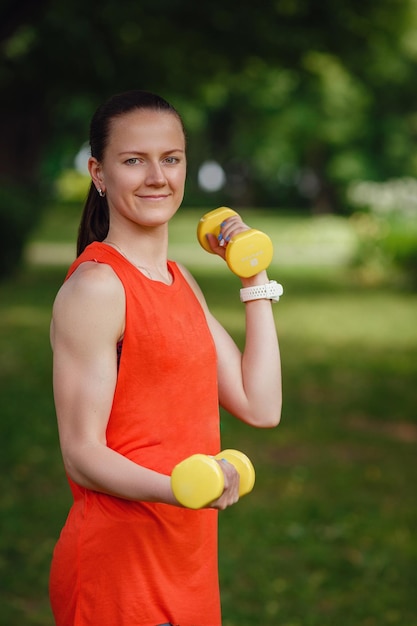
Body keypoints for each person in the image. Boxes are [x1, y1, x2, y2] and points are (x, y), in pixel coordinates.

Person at [49, 89, 282, 626]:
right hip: (120, 566)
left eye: (170, 159)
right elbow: (81, 454)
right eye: (134, 160)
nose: (157, 176)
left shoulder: (182, 282)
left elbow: (260, 405)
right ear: (99, 173)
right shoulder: (97, 289)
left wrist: (254, 277)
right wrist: (181, 487)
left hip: (188, 559)